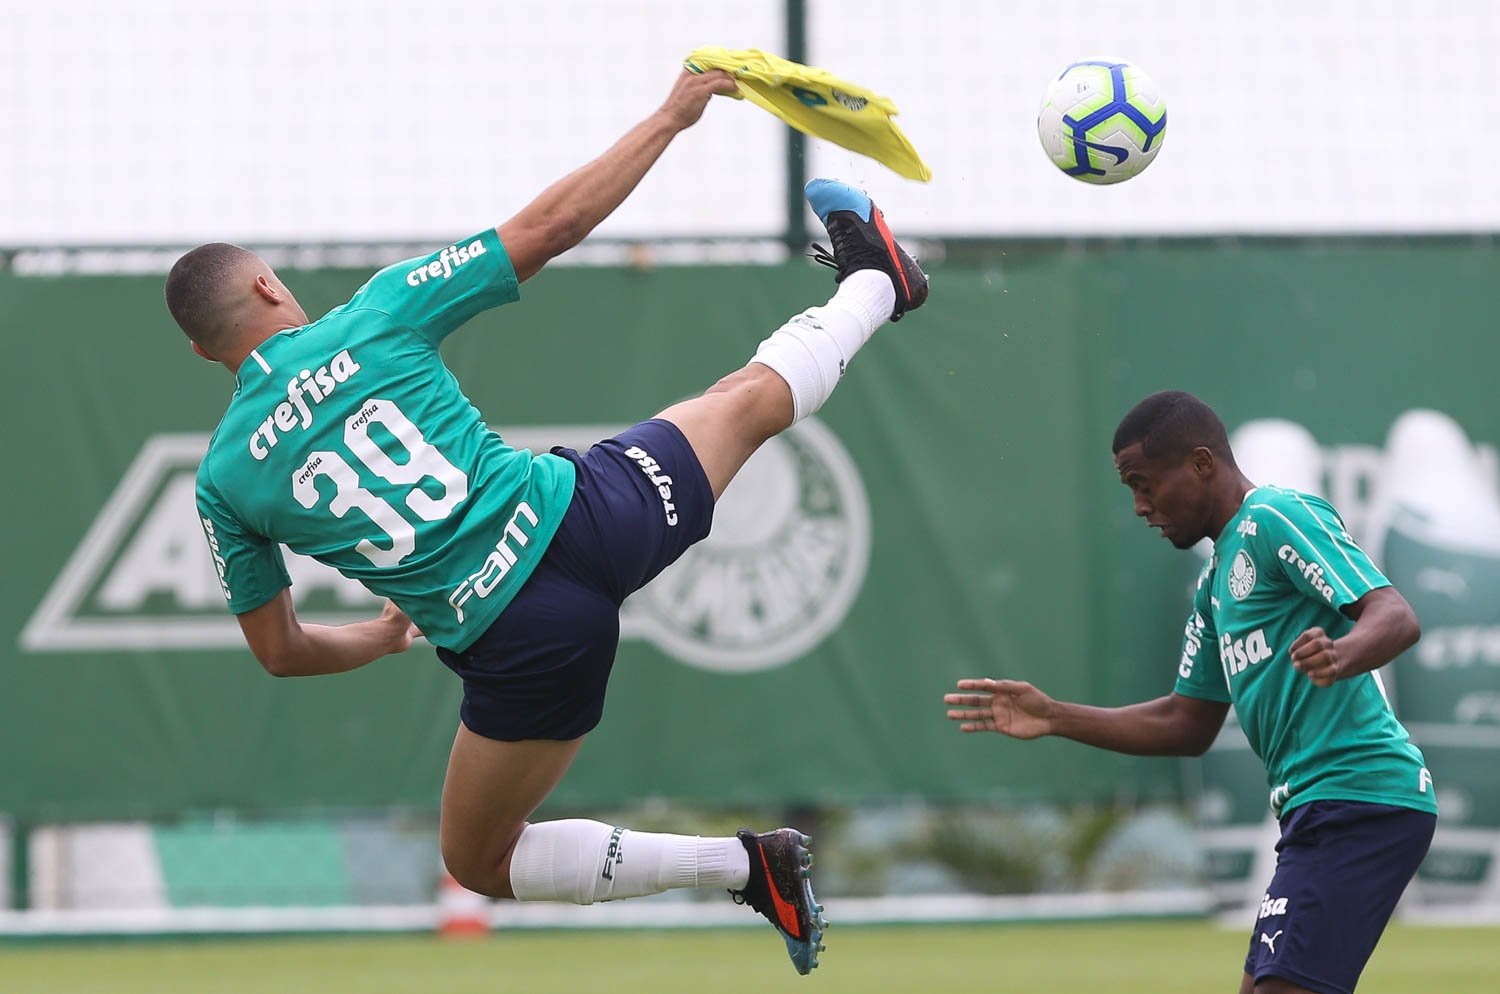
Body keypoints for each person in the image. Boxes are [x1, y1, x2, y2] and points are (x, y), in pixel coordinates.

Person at [165, 68, 928, 975]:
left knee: (479, 862)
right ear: (264, 286)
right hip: (585, 515)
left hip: (521, 637)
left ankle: (742, 866)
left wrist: (377, 637)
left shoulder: (222, 481)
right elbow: (553, 227)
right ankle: (874, 290)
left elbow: (282, 651)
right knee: (747, 401)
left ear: (201, 350)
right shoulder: (371, 315)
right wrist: (672, 115)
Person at [944, 391, 1436, 994]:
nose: (1139, 506)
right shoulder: (1212, 588)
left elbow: (1395, 614)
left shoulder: (1274, 517)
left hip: (1362, 797)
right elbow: (1186, 723)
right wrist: (1054, 716)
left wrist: (1344, 652)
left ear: (1202, 464)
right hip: (1315, 810)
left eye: (1144, 484)